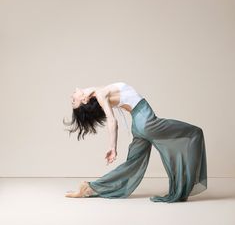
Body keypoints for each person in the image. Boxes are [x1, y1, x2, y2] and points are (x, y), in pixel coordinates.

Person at [63, 82, 207, 202]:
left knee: (132, 164)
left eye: (72, 99)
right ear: (83, 100)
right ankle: (186, 185)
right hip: (147, 122)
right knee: (195, 132)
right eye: (73, 100)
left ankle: (90, 188)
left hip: (138, 126)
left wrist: (85, 95)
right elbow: (112, 121)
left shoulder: (97, 92)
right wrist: (112, 147)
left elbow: (89, 92)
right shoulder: (101, 94)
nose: (71, 96)